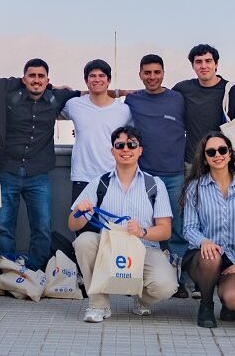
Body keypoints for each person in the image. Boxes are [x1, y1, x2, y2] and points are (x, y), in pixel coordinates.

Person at [68, 126, 177, 323]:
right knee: (84, 241)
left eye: (131, 144)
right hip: (108, 247)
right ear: (113, 151)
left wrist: (142, 231)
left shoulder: (154, 184)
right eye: (120, 145)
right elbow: (73, 225)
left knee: (166, 286)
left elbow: (165, 230)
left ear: (140, 150)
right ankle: (98, 305)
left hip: (144, 249)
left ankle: (142, 299)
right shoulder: (99, 183)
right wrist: (80, 212)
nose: (126, 149)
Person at [0, 59, 80, 272]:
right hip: (8, 170)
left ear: (48, 80)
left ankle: (36, 272)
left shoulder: (57, 98)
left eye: (41, 76)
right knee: (3, 226)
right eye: (32, 76)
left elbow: (89, 92)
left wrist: (124, 91)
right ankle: (8, 272)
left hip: (38, 173)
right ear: (24, 78)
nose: (36, 81)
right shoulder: (11, 98)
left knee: (43, 226)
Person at [181, 132, 235, 328]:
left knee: (233, 299)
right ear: (205, 158)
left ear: (229, 154)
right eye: (211, 152)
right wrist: (204, 241)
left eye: (222, 150)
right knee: (212, 256)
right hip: (203, 257)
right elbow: (189, 228)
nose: (217, 154)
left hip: (234, 257)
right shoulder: (195, 187)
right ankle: (206, 304)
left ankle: (227, 303)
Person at [123, 54, 189, 295]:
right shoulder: (132, 100)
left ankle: (177, 279)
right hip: (144, 176)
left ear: (163, 73)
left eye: (156, 72)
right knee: (141, 227)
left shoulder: (178, 100)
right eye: (147, 73)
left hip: (173, 174)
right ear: (140, 74)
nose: (152, 77)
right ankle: (139, 276)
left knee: (176, 230)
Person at [62, 59, 132, 200]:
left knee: (113, 222)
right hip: (83, 177)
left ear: (109, 80)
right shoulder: (73, 105)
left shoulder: (124, 110)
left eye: (101, 76)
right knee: (80, 222)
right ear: (86, 80)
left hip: (113, 177)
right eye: (92, 76)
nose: (97, 80)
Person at [173, 44, 235, 168]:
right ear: (193, 66)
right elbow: (161, 96)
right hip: (192, 165)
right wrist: (133, 93)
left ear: (216, 64)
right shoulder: (183, 89)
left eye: (208, 61)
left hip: (222, 164)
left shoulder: (233, 92)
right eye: (198, 62)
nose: (203, 66)